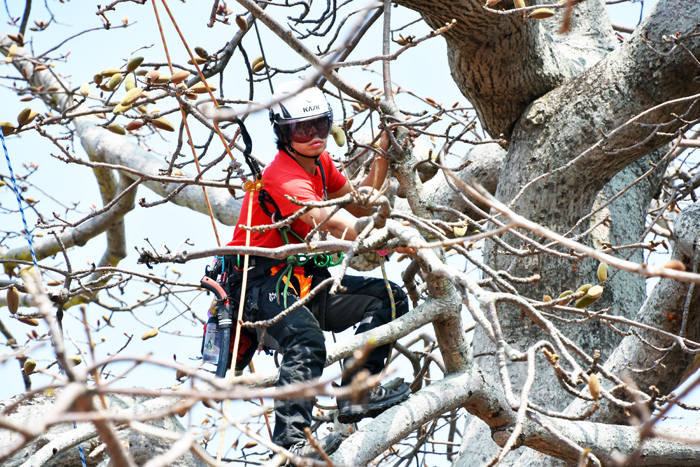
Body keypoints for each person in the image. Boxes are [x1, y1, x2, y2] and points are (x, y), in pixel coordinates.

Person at [223, 81, 411, 460]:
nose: (313, 136)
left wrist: (383, 151)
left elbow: (358, 203)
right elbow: (336, 223)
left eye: (320, 127)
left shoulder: (320, 164)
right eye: (301, 129)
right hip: (260, 285)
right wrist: (388, 237)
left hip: (304, 279)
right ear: (283, 133)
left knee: (388, 299)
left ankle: (357, 392)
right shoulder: (283, 177)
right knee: (307, 341)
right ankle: (292, 442)